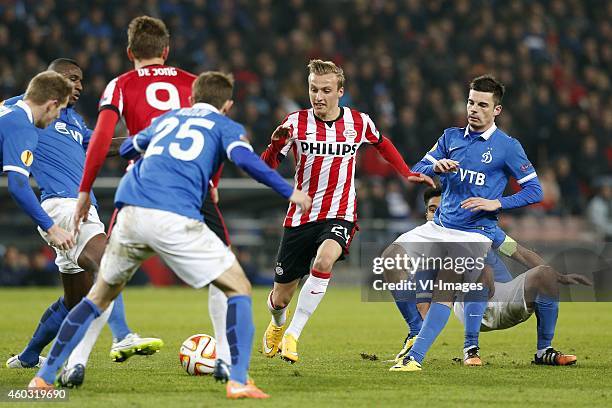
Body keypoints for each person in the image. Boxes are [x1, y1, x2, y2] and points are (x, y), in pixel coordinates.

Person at [29, 71, 311, 399]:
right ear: (228, 105)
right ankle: (237, 380)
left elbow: (130, 148)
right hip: (174, 215)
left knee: (97, 296)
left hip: (131, 212)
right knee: (238, 287)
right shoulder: (225, 126)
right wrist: (287, 190)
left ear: (191, 99)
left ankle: (44, 378)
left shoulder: (167, 119)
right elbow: (247, 161)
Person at [67, 16, 235, 382]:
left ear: (130, 52)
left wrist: (84, 190)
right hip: (192, 186)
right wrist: (214, 179)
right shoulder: (194, 83)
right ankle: (224, 358)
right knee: (224, 273)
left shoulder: (120, 85)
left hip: (141, 186)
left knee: (107, 279)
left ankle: (75, 362)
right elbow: (219, 131)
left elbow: (99, 140)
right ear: (166, 51)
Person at [260, 59, 434, 363]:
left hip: (340, 213)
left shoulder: (359, 122)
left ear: (340, 91)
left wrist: (406, 172)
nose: (319, 96)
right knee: (279, 298)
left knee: (326, 259)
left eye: (326, 90)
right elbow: (266, 168)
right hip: (300, 216)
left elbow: (383, 144)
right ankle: (278, 324)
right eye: (314, 89)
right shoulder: (295, 123)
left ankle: (293, 335)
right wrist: (275, 147)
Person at [2, 59, 161, 379]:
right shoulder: (21, 112)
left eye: (81, 80)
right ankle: (122, 336)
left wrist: (149, 137)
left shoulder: (70, 120)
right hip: (62, 206)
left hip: (81, 208)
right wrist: (50, 226)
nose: (79, 86)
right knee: (109, 262)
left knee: (75, 299)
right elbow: (17, 181)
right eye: (72, 79)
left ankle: (30, 355)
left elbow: (102, 147)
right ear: (51, 83)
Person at [387, 75, 543, 372]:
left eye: (483, 104)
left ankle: (415, 358)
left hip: (475, 231)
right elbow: (417, 168)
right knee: (388, 262)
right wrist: (435, 166)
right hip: (440, 226)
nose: (474, 109)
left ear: (496, 110)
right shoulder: (451, 137)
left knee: (444, 287)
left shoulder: (507, 147)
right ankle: (416, 330)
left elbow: (535, 191)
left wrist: (498, 203)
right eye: (471, 102)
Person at [390, 188, 590, 367]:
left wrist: (557, 276)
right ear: (426, 214)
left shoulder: (483, 230)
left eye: (445, 207)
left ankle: (544, 351)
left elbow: (519, 252)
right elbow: (424, 308)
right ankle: (470, 349)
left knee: (544, 273)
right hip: (470, 307)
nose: (439, 214)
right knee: (474, 266)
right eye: (433, 210)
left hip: (505, 298)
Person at [1, 71, 74, 253]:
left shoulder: (7, 109)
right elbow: (18, 184)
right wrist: (52, 227)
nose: (57, 116)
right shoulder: (23, 129)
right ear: (52, 105)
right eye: (59, 110)